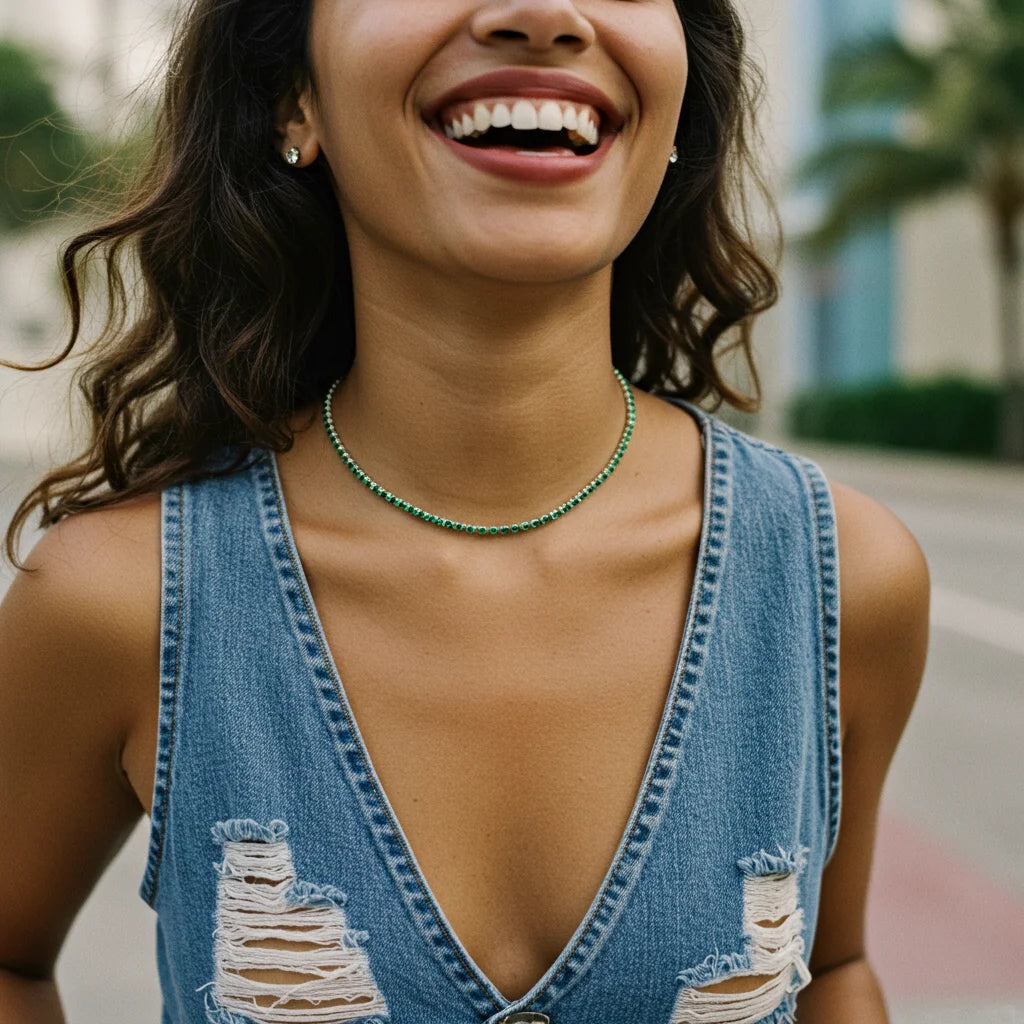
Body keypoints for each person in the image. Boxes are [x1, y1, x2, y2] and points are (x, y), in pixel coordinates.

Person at [0, 0, 930, 1021]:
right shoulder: (121, 598)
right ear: (291, 97)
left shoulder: (841, 574)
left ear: (677, 106)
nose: (540, 14)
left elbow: (831, 968)